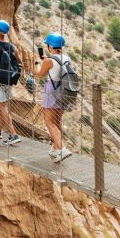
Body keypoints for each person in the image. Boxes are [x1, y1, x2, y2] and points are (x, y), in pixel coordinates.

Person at [35, 32, 73, 162]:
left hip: (51, 91)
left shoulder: (48, 61)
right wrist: (46, 60)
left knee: (49, 122)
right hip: (64, 91)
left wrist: (37, 62)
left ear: (50, 46)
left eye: (47, 44)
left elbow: (39, 74)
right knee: (57, 121)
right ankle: (56, 148)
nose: (46, 46)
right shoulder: (67, 58)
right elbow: (57, 67)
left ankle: (62, 149)